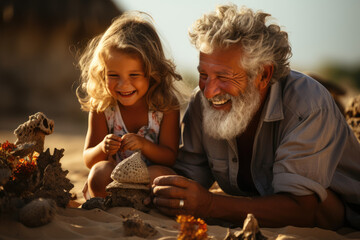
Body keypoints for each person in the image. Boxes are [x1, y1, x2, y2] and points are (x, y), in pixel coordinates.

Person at [150, 4, 360, 230]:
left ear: (263, 74)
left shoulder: (307, 105)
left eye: (223, 76)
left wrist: (210, 204)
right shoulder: (201, 103)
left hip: (339, 216)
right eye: (203, 75)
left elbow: (302, 210)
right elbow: (189, 178)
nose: (209, 91)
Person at [76, 12, 182, 199]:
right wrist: (103, 147)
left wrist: (143, 144)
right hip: (113, 180)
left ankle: (141, 200)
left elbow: (170, 157)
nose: (123, 85)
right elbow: (88, 159)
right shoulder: (103, 107)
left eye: (134, 75)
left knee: (165, 176)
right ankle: (114, 199)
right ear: (103, 73)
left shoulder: (166, 107)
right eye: (113, 75)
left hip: (147, 179)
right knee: (99, 173)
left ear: (152, 73)